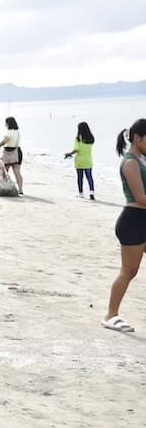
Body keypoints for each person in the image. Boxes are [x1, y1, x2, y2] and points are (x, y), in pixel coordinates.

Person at [102, 120, 146, 333]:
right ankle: (111, 315)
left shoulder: (142, 159)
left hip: (142, 220)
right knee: (129, 272)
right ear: (137, 138)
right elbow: (141, 197)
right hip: (133, 221)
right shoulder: (130, 162)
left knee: (131, 271)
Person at [63, 122, 95, 199]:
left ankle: (81, 193)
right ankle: (91, 193)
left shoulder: (78, 138)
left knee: (80, 177)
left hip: (79, 161)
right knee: (89, 177)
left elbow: (76, 150)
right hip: (88, 160)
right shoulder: (91, 138)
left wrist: (68, 153)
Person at [0, 116, 24, 195]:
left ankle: (3, 187)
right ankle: (20, 189)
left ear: (8, 123)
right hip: (18, 152)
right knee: (17, 172)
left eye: (6, 123)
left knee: (4, 172)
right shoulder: (17, 132)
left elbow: (5, 141)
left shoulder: (9, 132)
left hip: (8, 153)